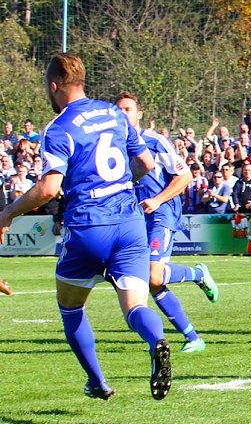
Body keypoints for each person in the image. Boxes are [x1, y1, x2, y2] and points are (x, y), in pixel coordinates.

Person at [0, 53, 171, 400]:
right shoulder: (113, 113)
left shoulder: (59, 127)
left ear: (54, 86)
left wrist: (7, 213)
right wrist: (120, 186)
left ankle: (98, 382)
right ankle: (157, 340)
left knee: (71, 307)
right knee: (136, 307)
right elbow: (146, 163)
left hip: (88, 225)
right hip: (129, 223)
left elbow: (49, 189)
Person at [116, 91, 219, 354]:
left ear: (139, 114)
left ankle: (198, 274)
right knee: (152, 282)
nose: (123, 114)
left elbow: (184, 177)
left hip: (162, 212)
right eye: (119, 110)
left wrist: (158, 200)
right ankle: (193, 337)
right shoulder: (115, 146)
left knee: (153, 274)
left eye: (128, 109)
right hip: (136, 218)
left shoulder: (154, 141)